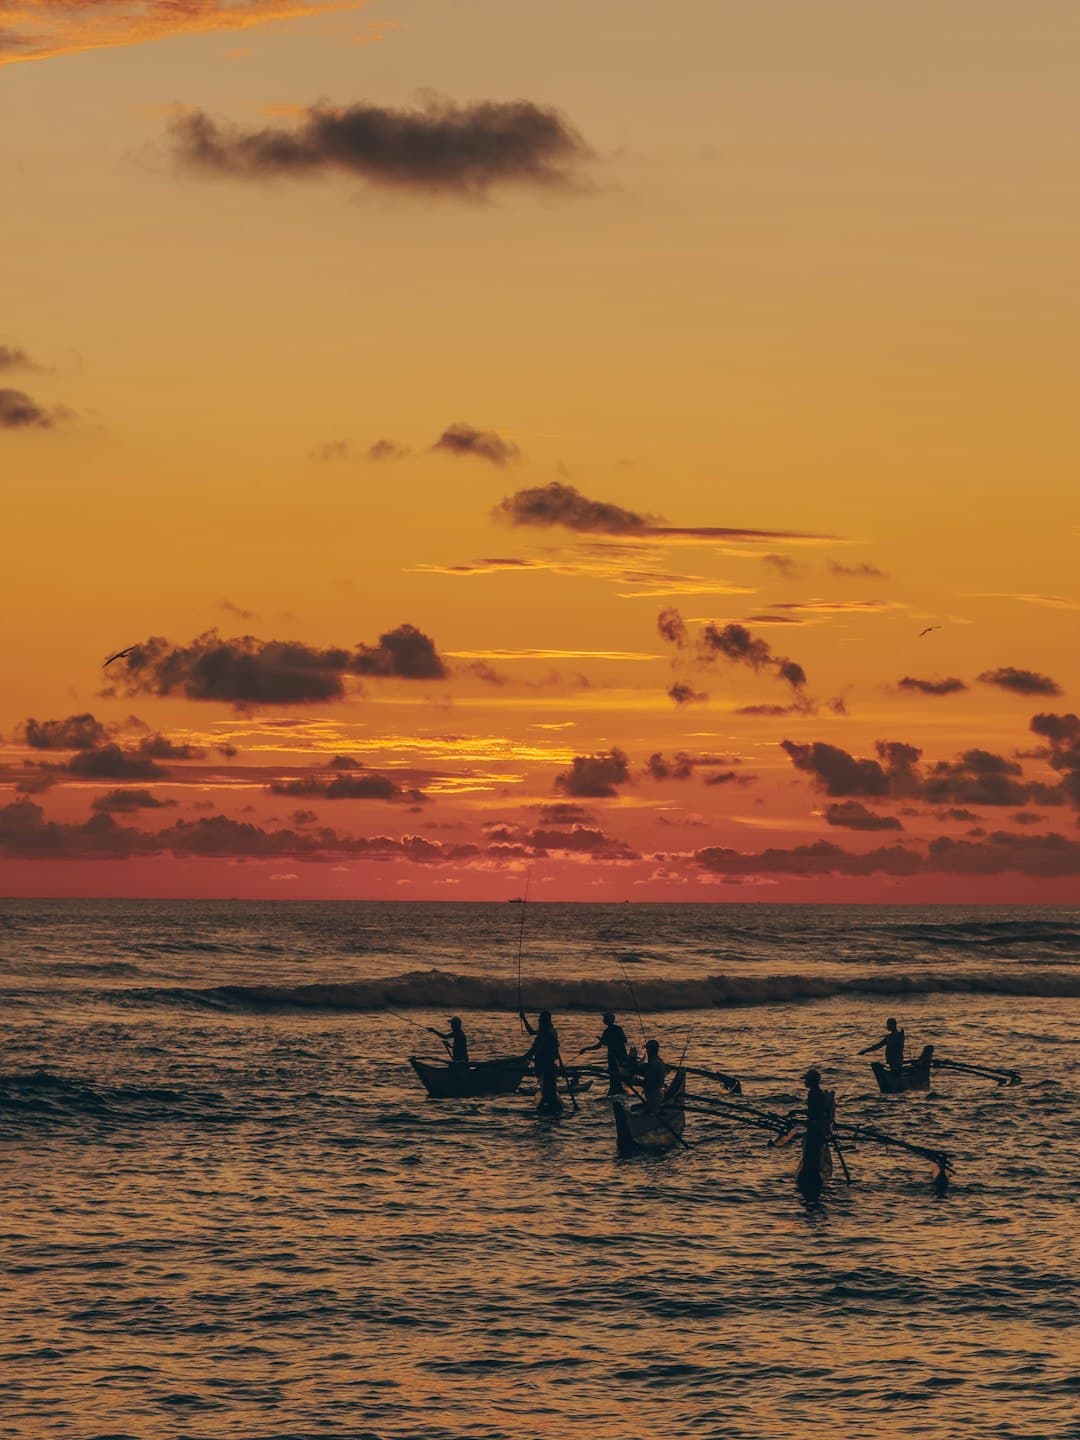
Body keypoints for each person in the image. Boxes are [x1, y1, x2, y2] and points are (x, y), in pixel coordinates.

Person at [797, 1067, 836, 1189]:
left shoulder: (814, 1095)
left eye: (806, 1080)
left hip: (815, 1131)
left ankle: (810, 1176)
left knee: (811, 1154)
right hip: (818, 1130)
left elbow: (814, 1113)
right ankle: (813, 1175)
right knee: (813, 1155)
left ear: (811, 1082)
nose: (804, 1082)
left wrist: (799, 1113)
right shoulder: (817, 1094)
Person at [520, 1008, 564, 1114]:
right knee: (544, 1081)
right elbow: (531, 1033)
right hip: (542, 1062)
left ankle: (548, 1098)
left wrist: (528, 1055)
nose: (539, 1022)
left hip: (547, 1063)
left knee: (548, 1081)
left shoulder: (550, 1033)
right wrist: (524, 1019)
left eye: (541, 1020)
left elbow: (548, 1047)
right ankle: (546, 1096)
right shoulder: (544, 1031)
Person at [577, 1010, 629, 1094]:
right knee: (616, 1076)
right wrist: (586, 1048)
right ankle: (617, 1090)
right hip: (620, 1057)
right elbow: (623, 1040)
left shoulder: (608, 1032)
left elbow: (599, 1045)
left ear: (608, 1020)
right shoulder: (617, 1029)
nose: (603, 1020)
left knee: (614, 1076)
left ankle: (615, 1090)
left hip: (615, 1058)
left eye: (604, 1018)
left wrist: (586, 1049)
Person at [633, 1038, 668, 1110]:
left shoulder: (654, 1064)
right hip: (655, 1094)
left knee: (651, 1111)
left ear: (652, 1050)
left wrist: (635, 1082)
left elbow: (649, 1082)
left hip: (654, 1096)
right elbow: (645, 1070)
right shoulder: (656, 1061)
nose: (647, 1051)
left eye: (648, 1049)